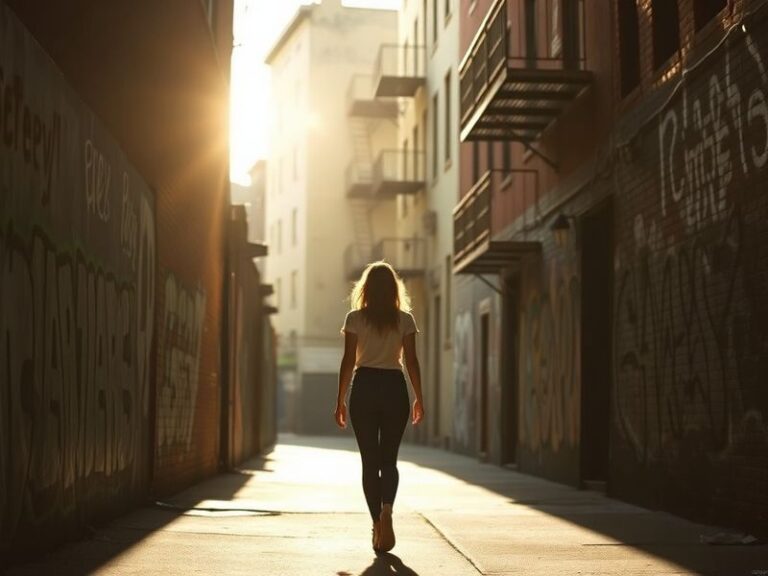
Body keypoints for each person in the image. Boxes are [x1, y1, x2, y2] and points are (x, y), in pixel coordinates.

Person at [335, 261, 424, 554]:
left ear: (367, 289)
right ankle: (387, 510)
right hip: (394, 388)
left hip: (364, 389)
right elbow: (411, 362)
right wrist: (418, 398)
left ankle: (376, 523)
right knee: (390, 461)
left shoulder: (354, 319)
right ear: (394, 290)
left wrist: (340, 401)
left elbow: (349, 361)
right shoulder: (405, 320)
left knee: (369, 463)